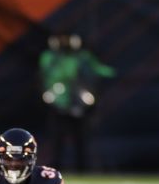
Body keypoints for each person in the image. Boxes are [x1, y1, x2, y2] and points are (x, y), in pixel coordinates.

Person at [38, 33, 115, 171]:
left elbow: (96, 70)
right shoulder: (50, 57)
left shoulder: (83, 57)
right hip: (59, 102)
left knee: (81, 138)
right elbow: (46, 75)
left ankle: (83, 168)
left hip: (79, 102)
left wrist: (111, 73)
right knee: (57, 138)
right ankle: (55, 168)